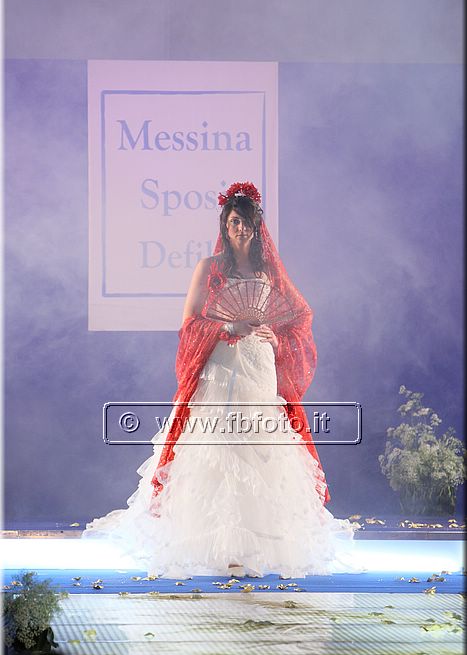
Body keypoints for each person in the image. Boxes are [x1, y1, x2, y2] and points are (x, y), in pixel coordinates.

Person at [82, 181, 361, 579]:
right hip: (222, 365)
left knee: (261, 450)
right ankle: (222, 547)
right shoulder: (209, 268)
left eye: (246, 221)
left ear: (257, 226)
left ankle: (261, 547)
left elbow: (301, 317)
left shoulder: (269, 272)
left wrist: (276, 338)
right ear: (224, 226)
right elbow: (189, 322)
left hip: (260, 366)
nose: (240, 228)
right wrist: (229, 325)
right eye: (233, 222)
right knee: (222, 448)